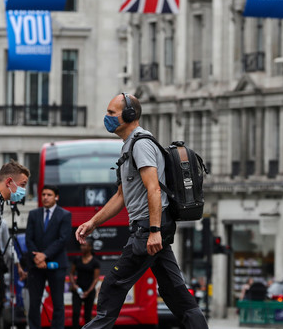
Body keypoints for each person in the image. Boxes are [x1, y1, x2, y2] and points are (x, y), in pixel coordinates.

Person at [75, 93, 208, 329]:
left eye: (111, 113)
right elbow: (121, 197)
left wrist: (154, 231)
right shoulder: (128, 146)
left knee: (112, 284)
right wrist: (92, 223)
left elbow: (154, 189)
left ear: (129, 115)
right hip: (152, 227)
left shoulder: (141, 144)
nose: (107, 117)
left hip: (149, 228)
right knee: (174, 290)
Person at [25, 185, 72, 329]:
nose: (45, 197)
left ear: (56, 197)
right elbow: (28, 239)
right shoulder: (33, 214)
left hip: (57, 264)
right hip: (35, 265)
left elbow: (63, 239)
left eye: (49, 195)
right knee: (34, 302)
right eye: (43, 194)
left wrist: (44, 255)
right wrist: (37, 258)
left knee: (58, 302)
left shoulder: (64, 215)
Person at [70, 240, 100, 329]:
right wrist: (74, 285)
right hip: (77, 290)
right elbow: (71, 273)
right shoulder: (77, 259)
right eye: (81, 245)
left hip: (89, 291)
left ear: (90, 247)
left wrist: (88, 291)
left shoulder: (95, 262)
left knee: (87, 315)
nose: (82, 247)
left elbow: (96, 279)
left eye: (85, 245)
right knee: (75, 313)